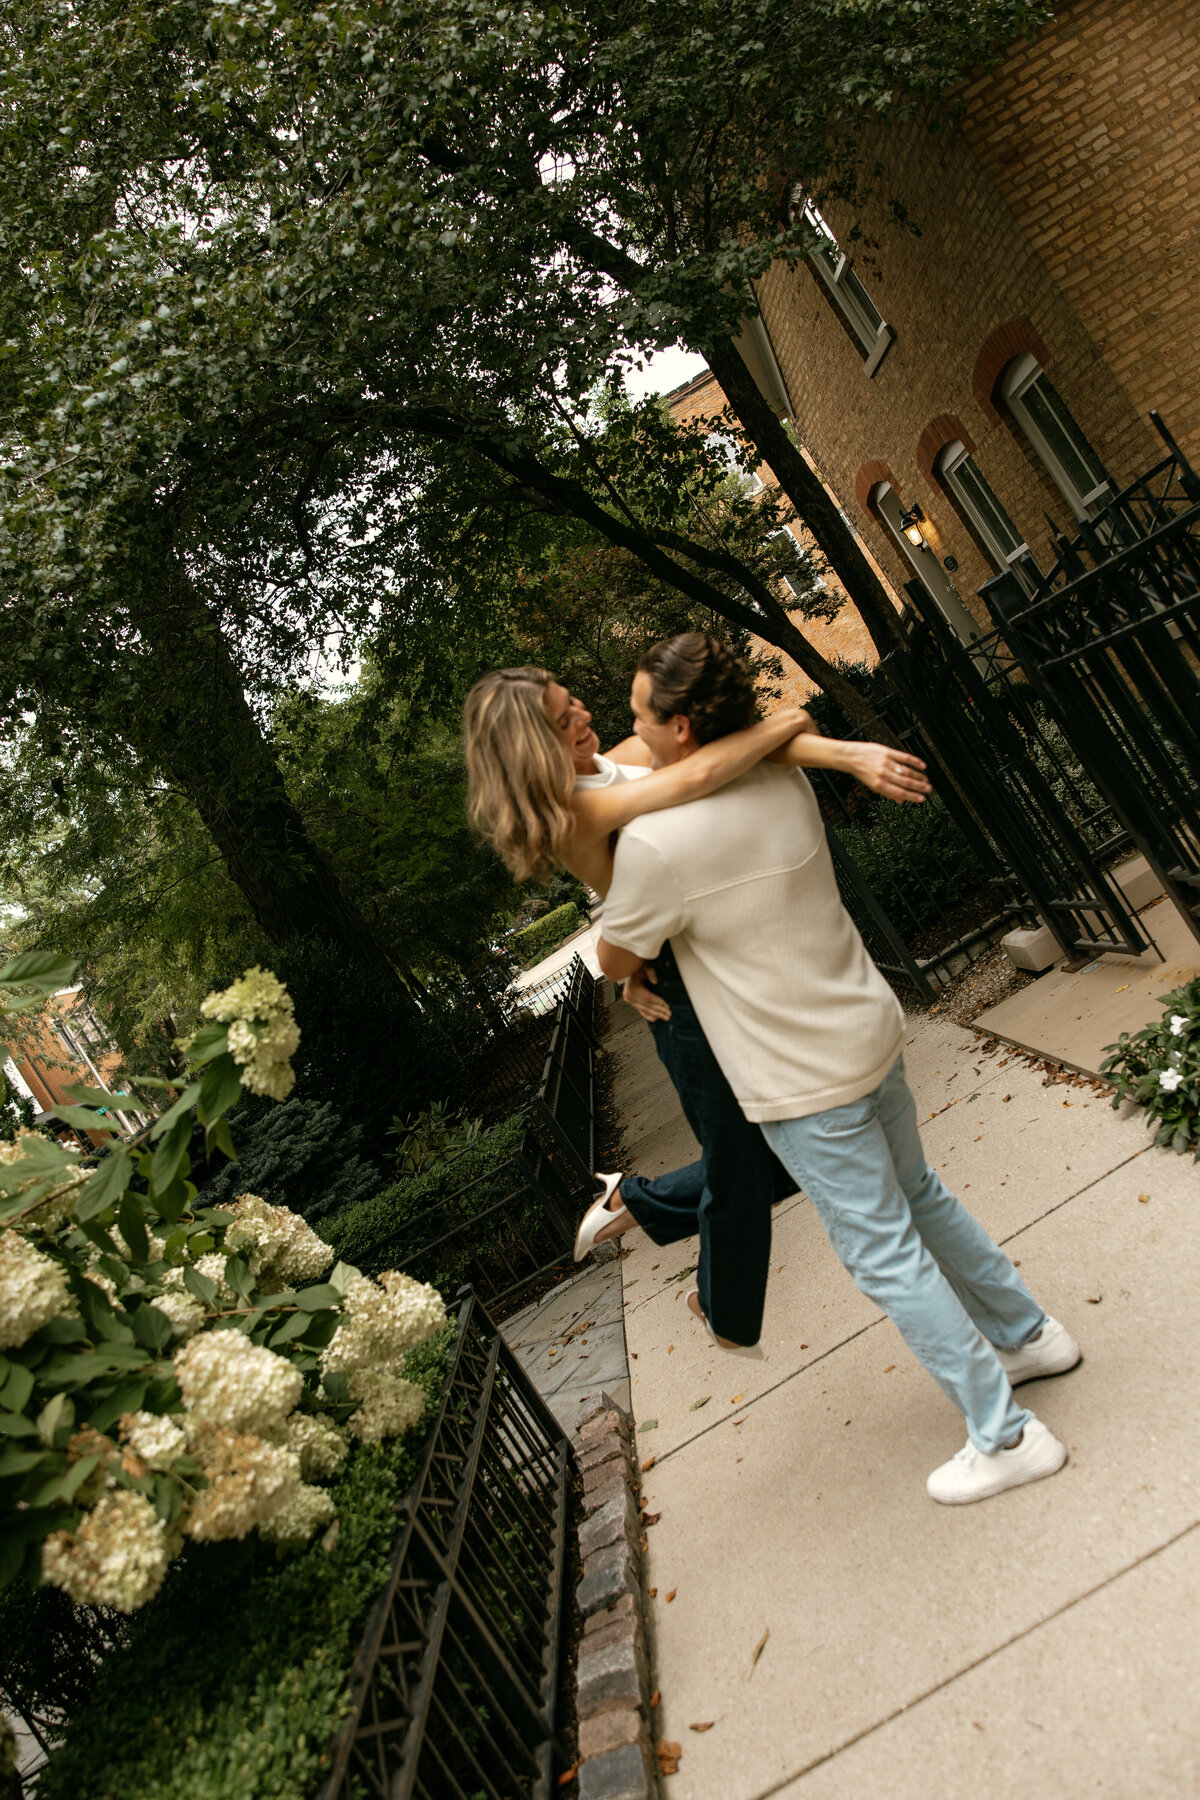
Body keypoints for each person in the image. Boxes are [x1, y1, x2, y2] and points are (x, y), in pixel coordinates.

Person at [597, 632, 1080, 1504]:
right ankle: (1028, 1334)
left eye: (640, 716)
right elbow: (759, 742)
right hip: (865, 1029)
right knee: (920, 1195)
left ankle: (1006, 1435)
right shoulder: (783, 778)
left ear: (681, 730)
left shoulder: (656, 848)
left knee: (883, 1253)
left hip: (801, 1082)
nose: (628, 731)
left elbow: (616, 957)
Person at [463, 655, 932, 1350]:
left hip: (705, 950)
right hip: (673, 988)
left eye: (573, 701)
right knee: (752, 1153)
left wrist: (841, 750)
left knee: (784, 1141)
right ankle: (687, 1266)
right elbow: (698, 775)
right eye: (564, 720)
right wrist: (797, 723)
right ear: (535, 747)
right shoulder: (572, 813)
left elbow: (727, 753)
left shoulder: (618, 759)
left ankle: (637, 1207)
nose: (584, 714)